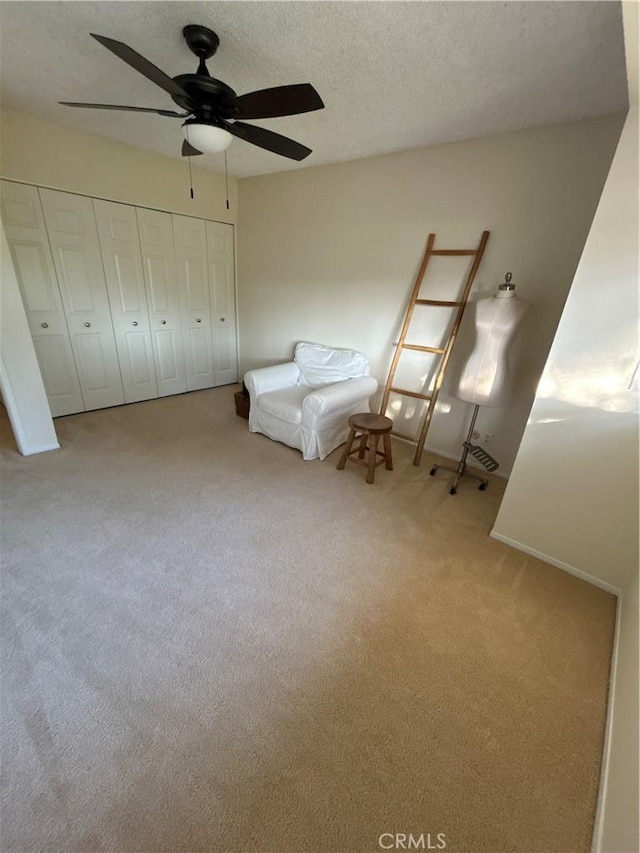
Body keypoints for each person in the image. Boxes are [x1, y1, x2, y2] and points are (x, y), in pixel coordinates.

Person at [457, 273, 531, 407]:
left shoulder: (522, 306)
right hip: (473, 363)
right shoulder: (481, 303)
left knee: (489, 397)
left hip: (497, 367)